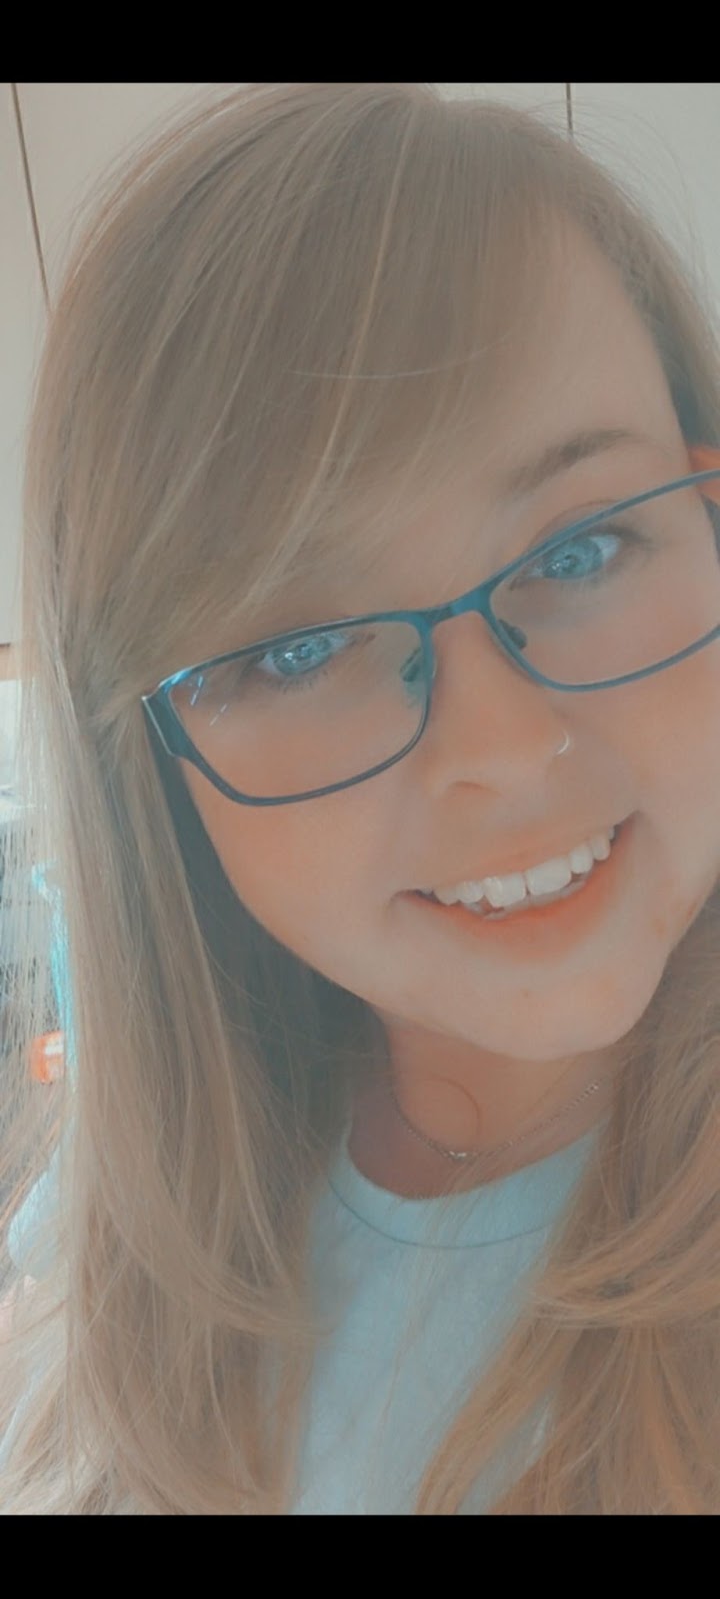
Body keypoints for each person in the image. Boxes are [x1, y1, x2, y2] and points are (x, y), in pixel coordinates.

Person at [1, 81, 720, 1515]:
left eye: (578, 551)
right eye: (298, 647)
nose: (502, 752)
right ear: (153, 770)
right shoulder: (138, 1225)